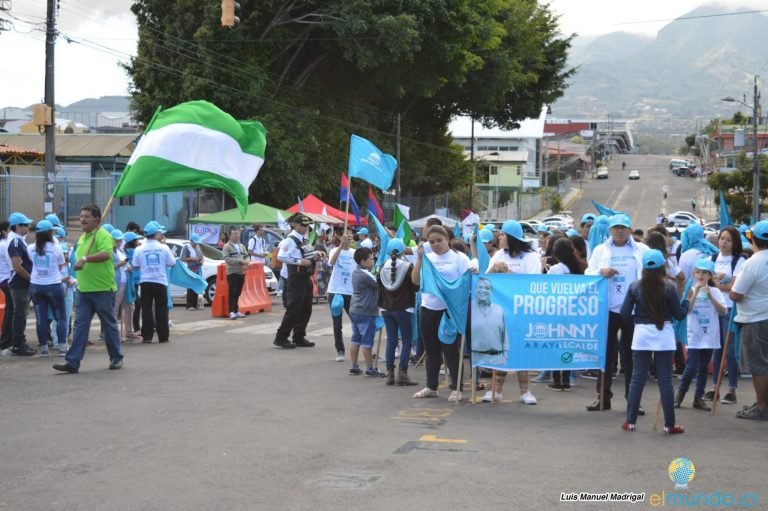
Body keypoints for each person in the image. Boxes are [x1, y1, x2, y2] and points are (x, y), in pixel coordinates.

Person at [620, 249, 689, 433]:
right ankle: (670, 425)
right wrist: (687, 302)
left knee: (637, 379)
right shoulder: (668, 288)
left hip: (641, 334)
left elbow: (624, 313)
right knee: (665, 380)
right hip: (664, 334)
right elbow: (680, 315)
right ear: (662, 267)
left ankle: (630, 422)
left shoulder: (635, 287)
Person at [585, 214, 648, 412]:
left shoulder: (642, 250)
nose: (619, 231)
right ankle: (602, 397)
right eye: (616, 228)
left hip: (633, 310)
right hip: (607, 310)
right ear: (610, 230)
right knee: (605, 355)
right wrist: (600, 272)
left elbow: (651, 274)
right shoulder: (600, 250)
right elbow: (588, 273)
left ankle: (633, 399)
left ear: (630, 230)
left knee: (631, 356)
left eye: (623, 227)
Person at [53, 204, 123, 373]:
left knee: (109, 325)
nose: (82, 219)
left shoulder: (102, 235)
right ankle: (72, 362)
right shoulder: (84, 238)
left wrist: (85, 258)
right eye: (81, 216)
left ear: (96, 220)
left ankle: (116, 358)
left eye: (86, 216)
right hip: (83, 291)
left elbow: (106, 254)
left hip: (103, 290)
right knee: (80, 327)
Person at [482, 220, 540, 405]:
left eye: (503, 234)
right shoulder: (499, 254)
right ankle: (496, 390)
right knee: (500, 351)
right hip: (501, 312)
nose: (499, 237)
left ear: (512, 238)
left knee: (520, 351)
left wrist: (508, 276)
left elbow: (533, 283)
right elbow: (485, 279)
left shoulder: (531, 257)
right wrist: (493, 270)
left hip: (522, 312)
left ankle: (525, 391)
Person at [411, 225, 470, 402]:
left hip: (449, 311)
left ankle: (457, 387)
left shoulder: (459, 258)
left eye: (439, 240)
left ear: (447, 239)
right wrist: (420, 259)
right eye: (432, 242)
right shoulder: (427, 258)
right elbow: (415, 281)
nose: (436, 244)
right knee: (431, 350)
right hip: (428, 308)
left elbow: (467, 284)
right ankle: (431, 386)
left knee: (451, 349)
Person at [729, 221, 768, 420]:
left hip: (757, 319)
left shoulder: (752, 263)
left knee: (759, 365)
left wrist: (732, 285)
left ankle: (762, 407)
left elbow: (736, 294)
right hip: (761, 316)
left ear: (753, 239)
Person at [675, 259, 726, 412]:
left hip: (710, 334)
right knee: (690, 367)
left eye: (704, 272)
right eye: (698, 272)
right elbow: (687, 310)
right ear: (694, 273)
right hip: (693, 334)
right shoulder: (690, 289)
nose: (701, 275)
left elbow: (723, 311)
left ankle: (698, 398)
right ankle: (680, 395)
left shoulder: (715, 291)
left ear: (710, 275)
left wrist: (711, 298)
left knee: (703, 368)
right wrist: (694, 293)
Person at [704, 226, 746, 404]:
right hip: (714, 307)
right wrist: (714, 281)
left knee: (730, 350)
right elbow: (702, 279)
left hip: (730, 309)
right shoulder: (711, 258)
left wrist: (715, 283)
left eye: (728, 239)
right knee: (717, 348)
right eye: (722, 238)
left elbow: (734, 286)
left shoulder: (739, 260)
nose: (724, 242)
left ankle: (732, 390)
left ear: (734, 242)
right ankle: (715, 387)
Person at [274, 214, 324, 349]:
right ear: (295, 225)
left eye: (307, 225)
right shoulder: (289, 240)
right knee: (293, 309)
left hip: (306, 276)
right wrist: (299, 262)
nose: (305, 227)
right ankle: (281, 337)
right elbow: (281, 256)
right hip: (295, 277)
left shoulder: (305, 239)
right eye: (303, 225)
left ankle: (299, 336)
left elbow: (306, 254)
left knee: (306, 309)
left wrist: (316, 255)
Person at [546, 237, 587, 390]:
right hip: (575, 313)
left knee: (557, 345)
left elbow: (548, 290)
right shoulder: (581, 268)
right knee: (569, 345)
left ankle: (557, 380)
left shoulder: (555, 270)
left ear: (556, 254)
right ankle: (567, 379)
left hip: (558, 313)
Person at [377, 238, 418, 386]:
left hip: (386, 308)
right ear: (403, 251)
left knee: (391, 340)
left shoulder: (382, 266)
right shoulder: (408, 266)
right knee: (406, 341)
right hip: (404, 308)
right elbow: (415, 286)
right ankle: (402, 373)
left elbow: (378, 285)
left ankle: (390, 374)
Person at [26, 220, 66, 357]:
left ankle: (44, 349)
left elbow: (31, 262)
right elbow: (61, 265)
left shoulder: (30, 248)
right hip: (54, 285)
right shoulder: (57, 248)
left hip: (36, 285)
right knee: (61, 317)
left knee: (41, 318)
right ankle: (62, 348)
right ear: (51, 233)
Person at [132, 221, 176, 343]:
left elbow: (135, 265)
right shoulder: (164, 248)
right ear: (156, 234)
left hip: (145, 282)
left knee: (146, 309)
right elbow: (172, 263)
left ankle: (147, 336)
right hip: (160, 281)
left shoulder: (139, 249)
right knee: (161, 309)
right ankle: (163, 336)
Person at [348, 247, 382, 376]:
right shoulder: (366, 275)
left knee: (356, 338)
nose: (373, 261)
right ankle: (370, 369)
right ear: (362, 262)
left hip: (355, 309)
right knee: (367, 342)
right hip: (366, 311)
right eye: (371, 259)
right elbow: (380, 283)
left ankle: (354, 367)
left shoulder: (356, 272)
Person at [7, 212, 37, 356]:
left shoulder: (18, 240)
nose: (28, 227)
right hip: (19, 284)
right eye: (25, 225)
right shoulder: (16, 242)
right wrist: (31, 279)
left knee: (21, 313)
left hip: (21, 283)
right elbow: (17, 266)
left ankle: (19, 343)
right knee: (20, 314)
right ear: (17, 226)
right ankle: (18, 344)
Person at [327, 231, 356, 361]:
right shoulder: (334, 250)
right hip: (336, 291)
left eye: (350, 236)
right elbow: (332, 262)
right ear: (340, 237)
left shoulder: (355, 253)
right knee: (337, 323)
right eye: (346, 236)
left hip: (350, 292)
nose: (348, 238)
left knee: (357, 321)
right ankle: (340, 350)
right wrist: (340, 246)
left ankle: (364, 347)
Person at [470, 277, 509, 368]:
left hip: (497, 359)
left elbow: (504, 333)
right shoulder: (469, 307)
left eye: (487, 288)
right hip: (476, 358)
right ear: (475, 289)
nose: (483, 290)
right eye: (480, 287)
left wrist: (506, 355)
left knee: (498, 381)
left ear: (491, 291)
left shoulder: (499, 309)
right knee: (477, 382)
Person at [222, 227, 249, 320]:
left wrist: (246, 262)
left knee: (238, 292)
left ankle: (236, 311)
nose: (236, 236)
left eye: (237, 233)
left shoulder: (241, 246)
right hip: (232, 272)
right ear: (230, 235)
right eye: (234, 234)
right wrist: (240, 261)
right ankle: (231, 311)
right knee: (232, 292)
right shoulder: (227, 246)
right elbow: (227, 259)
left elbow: (246, 256)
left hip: (241, 272)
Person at [109, 229, 131, 340]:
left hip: (122, 281)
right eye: (117, 241)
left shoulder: (119, 251)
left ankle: (120, 333)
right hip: (114, 282)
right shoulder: (109, 252)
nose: (119, 243)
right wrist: (118, 264)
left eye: (120, 241)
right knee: (114, 309)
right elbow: (108, 268)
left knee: (122, 308)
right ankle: (112, 334)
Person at [0, 221, 14, 355]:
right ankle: (5, 342)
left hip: (4, 279)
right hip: (6, 280)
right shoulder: (5, 245)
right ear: (4, 231)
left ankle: (6, 340)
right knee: (11, 310)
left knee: (10, 310)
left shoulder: (3, 244)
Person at [181, 233, 204, 311]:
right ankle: (190, 305)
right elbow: (182, 258)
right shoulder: (186, 247)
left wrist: (202, 261)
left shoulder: (198, 247)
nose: (195, 244)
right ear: (190, 241)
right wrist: (192, 259)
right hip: (190, 269)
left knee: (196, 287)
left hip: (198, 269)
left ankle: (195, 304)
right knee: (190, 287)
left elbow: (202, 257)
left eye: (196, 243)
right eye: (194, 242)